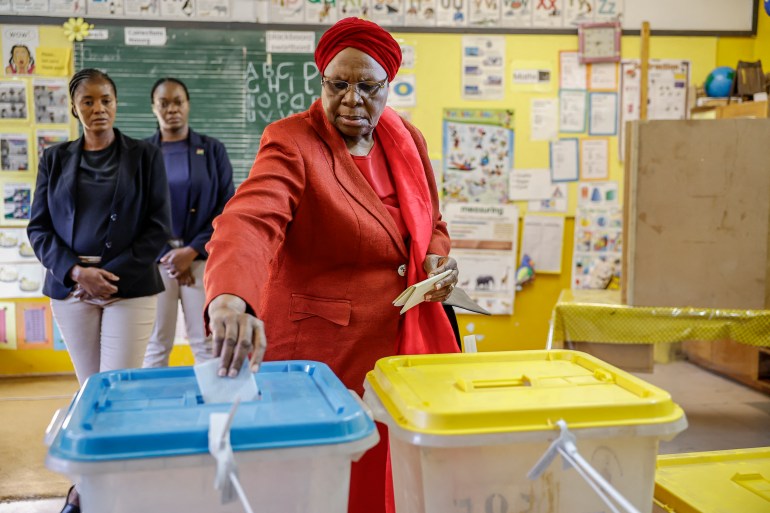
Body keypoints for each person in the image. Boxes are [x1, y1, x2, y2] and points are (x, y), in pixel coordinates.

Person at [203, 17, 459, 513]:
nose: (352, 99)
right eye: (338, 84)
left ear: (389, 85)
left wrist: (437, 258)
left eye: (368, 86)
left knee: (392, 474)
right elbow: (250, 220)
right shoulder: (292, 141)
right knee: (325, 482)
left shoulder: (407, 140)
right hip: (324, 352)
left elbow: (432, 222)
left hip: (401, 348)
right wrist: (231, 297)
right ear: (321, 80)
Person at [27, 68, 170, 513]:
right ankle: (91, 488)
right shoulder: (54, 159)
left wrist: (109, 275)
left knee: (116, 391)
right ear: (75, 107)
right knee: (90, 392)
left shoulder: (145, 155)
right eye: (87, 101)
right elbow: (39, 227)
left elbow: (158, 228)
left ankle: (97, 492)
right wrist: (75, 272)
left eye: (105, 99)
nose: (98, 109)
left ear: (116, 101)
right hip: (70, 289)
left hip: (130, 288)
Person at [142, 77, 234, 368]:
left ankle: (215, 410)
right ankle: (153, 411)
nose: (172, 109)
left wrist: (191, 251)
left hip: (202, 259)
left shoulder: (212, 150)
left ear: (188, 104)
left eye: (178, 101)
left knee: (207, 341)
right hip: (156, 263)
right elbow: (133, 212)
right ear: (153, 108)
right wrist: (168, 257)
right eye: (164, 103)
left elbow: (227, 206)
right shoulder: (140, 154)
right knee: (155, 344)